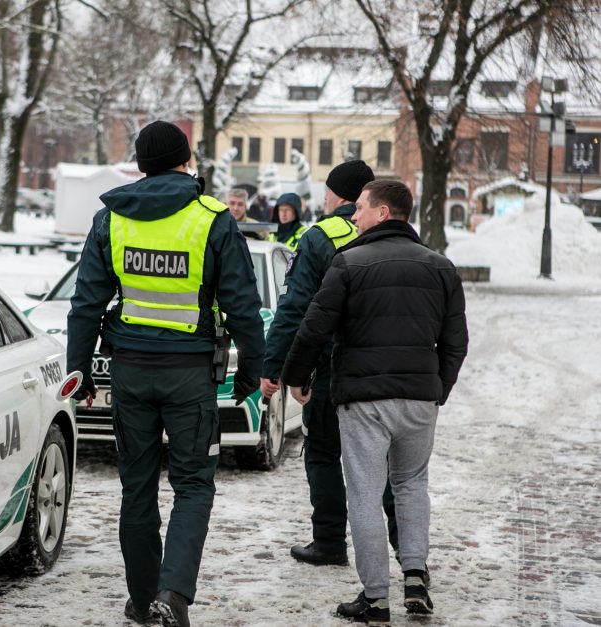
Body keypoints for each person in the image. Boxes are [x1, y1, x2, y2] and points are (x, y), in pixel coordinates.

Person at [67, 120, 264, 627]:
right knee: (194, 485)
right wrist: (249, 375)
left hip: (130, 371)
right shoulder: (212, 219)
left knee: (137, 487)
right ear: (185, 160)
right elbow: (243, 305)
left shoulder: (112, 218)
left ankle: (140, 598)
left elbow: (86, 303)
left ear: (141, 163)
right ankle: (172, 595)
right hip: (189, 375)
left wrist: (80, 369)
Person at [282, 180, 468, 623]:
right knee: (411, 486)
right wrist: (436, 387)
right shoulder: (441, 267)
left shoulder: (349, 263)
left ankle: (376, 597)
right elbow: (456, 342)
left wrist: (295, 375)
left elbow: (314, 327)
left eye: (361, 208)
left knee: (365, 493)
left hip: (364, 400)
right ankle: (416, 576)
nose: (354, 215)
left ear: (383, 212)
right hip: (420, 399)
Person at [260, 159, 393, 567]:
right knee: (385, 463)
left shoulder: (320, 237)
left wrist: (275, 365)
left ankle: (330, 541)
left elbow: (296, 308)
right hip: (386, 370)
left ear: (338, 195)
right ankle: (407, 552)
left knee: (322, 452)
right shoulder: (396, 233)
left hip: (333, 368)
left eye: (327, 192)